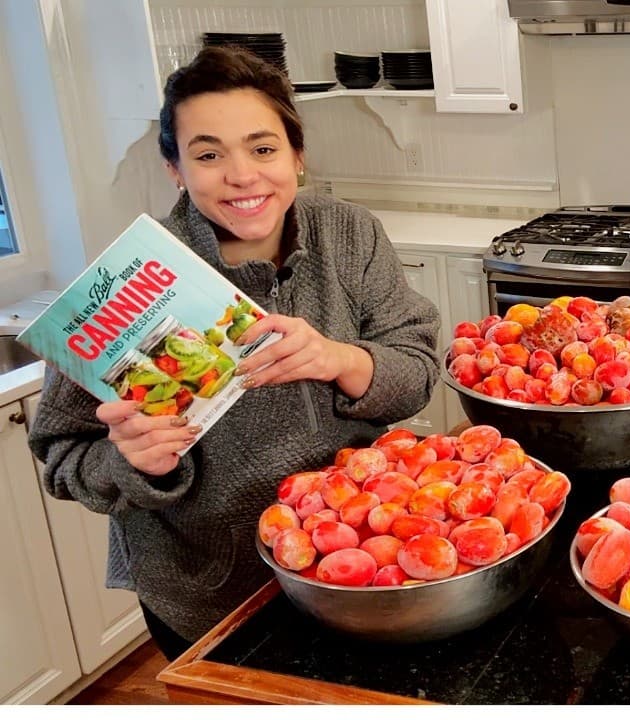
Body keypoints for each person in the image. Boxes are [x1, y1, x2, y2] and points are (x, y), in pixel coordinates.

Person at [28, 46, 441, 660]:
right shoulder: (126, 284)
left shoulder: (348, 232)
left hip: (357, 567)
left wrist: (342, 360)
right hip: (209, 595)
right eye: (208, 154)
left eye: (264, 148)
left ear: (297, 156)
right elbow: (61, 456)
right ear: (175, 169)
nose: (243, 175)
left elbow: (418, 369)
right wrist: (135, 463)